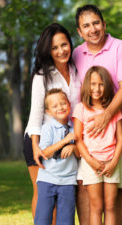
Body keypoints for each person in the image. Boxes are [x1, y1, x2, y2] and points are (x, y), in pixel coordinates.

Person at [73, 4, 122, 225]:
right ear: (79, 31)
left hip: (121, 130)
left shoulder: (121, 48)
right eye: (86, 25)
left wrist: (107, 115)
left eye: (96, 23)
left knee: (119, 188)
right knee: (85, 187)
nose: (92, 29)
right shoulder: (76, 54)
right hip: (88, 137)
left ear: (104, 24)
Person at [23, 23, 81, 224]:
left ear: (70, 44)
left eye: (64, 45)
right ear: (48, 50)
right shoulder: (42, 75)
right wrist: (36, 148)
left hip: (69, 138)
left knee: (65, 195)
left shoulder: (76, 71)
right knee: (43, 194)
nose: (60, 51)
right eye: (54, 48)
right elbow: (35, 116)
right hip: (40, 141)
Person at [73, 66, 122, 225]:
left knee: (110, 206)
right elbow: (78, 139)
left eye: (101, 84)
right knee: (96, 206)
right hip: (91, 163)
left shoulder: (113, 111)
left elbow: (121, 139)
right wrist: (91, 161)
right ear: (86, 85)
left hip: (111, 163)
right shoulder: (81, 108)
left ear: (107, 86)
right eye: (93, 84)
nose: (97, 88)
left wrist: (114, 162)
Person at [34, 88, 79, 225]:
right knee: (43, 218)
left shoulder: (75, 129)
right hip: (47, 179)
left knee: (66, 219)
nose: (60, 107)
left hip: (68, 181)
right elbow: (45, 153)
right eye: (54, 106)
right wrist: (65, 141)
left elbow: (80, 154)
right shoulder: (48, 128)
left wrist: (73, 146)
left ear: (69, 105)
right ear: (48, 112)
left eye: (63, 103)